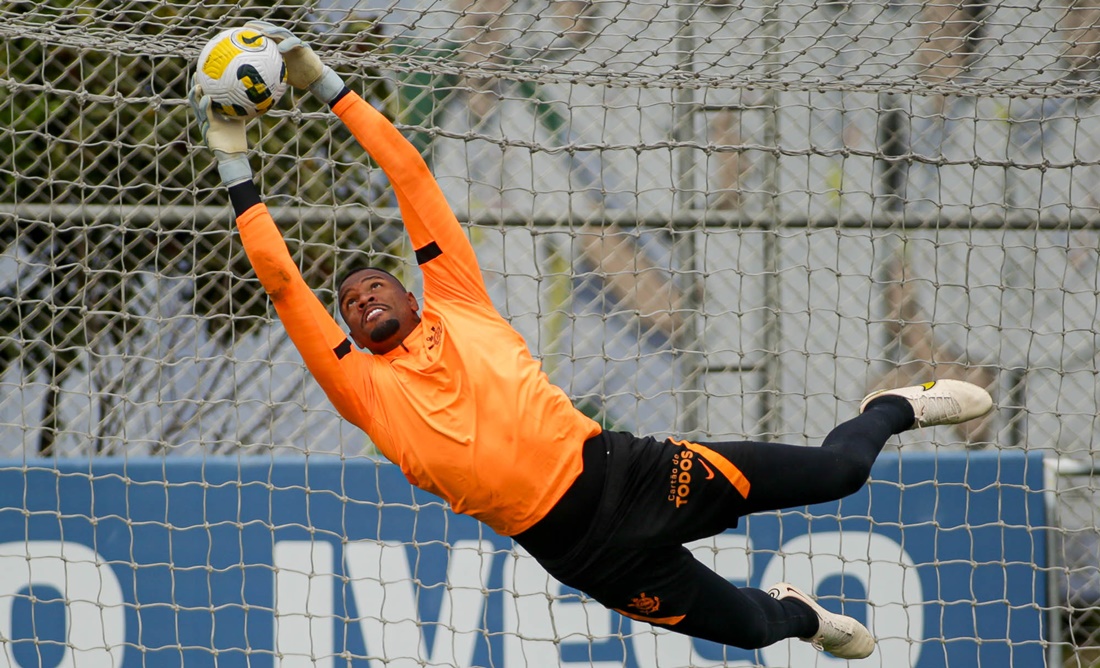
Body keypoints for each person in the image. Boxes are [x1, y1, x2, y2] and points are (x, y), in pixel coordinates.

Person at [189, 23, 995, 660]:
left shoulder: (460, 301)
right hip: (583, 554)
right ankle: (804, 620)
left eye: (375, 284)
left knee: (843, 472)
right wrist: (233, 158)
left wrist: (327, 85)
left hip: (631, 473)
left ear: (413, 288)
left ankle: (892, 407)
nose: (360, 297)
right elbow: (285, 282)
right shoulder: (364, 390)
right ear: (352, 336)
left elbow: (410, 176)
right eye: (351, 302)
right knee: (752, 632)